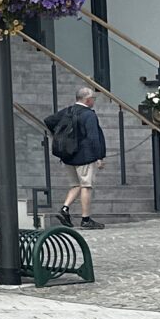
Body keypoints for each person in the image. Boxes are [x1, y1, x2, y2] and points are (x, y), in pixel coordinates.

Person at [47, 86, 109, 229]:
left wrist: (59, 135)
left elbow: (49, 121)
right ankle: (85, 219)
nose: (94, 101)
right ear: (87, 100)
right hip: (85, 156)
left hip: (68, 155)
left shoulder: (68, 111)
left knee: (76, 185)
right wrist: (99, 156)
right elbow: (93, 137)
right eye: (93, 98)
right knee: (86, 186)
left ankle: (65, 208)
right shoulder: (89, 115)